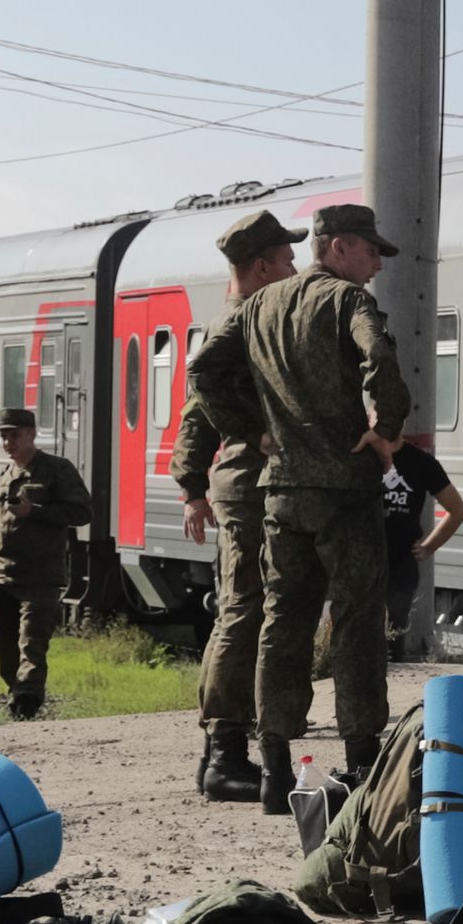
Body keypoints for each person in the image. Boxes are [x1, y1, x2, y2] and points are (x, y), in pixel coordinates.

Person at [237, 202, 416, 807]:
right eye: (370, 252)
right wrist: (386, 427)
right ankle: (362, 761)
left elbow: (205, 371)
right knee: (358, 621)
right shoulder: (348, 302)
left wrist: (251, 430)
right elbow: (381, 358)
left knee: (282, 622)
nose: (375, 266)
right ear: (338, 247)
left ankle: (274, 771)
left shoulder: (258, 305)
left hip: (282, 492)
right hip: (343, 489)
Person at [180, 209, 302, 798]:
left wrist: (190, 486)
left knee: (242, 606)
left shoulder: (234, 317)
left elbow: (193, 414)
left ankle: (220, 750)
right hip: (250, 482)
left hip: (239, 481)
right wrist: (255, 435)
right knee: (246, 609)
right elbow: (203, 391)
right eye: (285, 260)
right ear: (260, 267)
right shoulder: (243, 319)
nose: (293, 268)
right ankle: (226, 753)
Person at [0, 406, 91, 716]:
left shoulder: (56, 469)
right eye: (4, 436)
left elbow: (83, 513)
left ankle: (26, 705)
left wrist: (38, 512)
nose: (8, 442)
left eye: (14, 435)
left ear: (31, 434)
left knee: (32, 646)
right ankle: (15, 695)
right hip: (1, 576)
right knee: (5, 651)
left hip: (39, 576)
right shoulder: (5, 474)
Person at [378, 431, 463, 644]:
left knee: (392, 635)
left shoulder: (420, 462)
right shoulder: (361, 455)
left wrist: (428, 546)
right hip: (360, 561)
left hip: (399, 565)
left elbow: (457, 510)